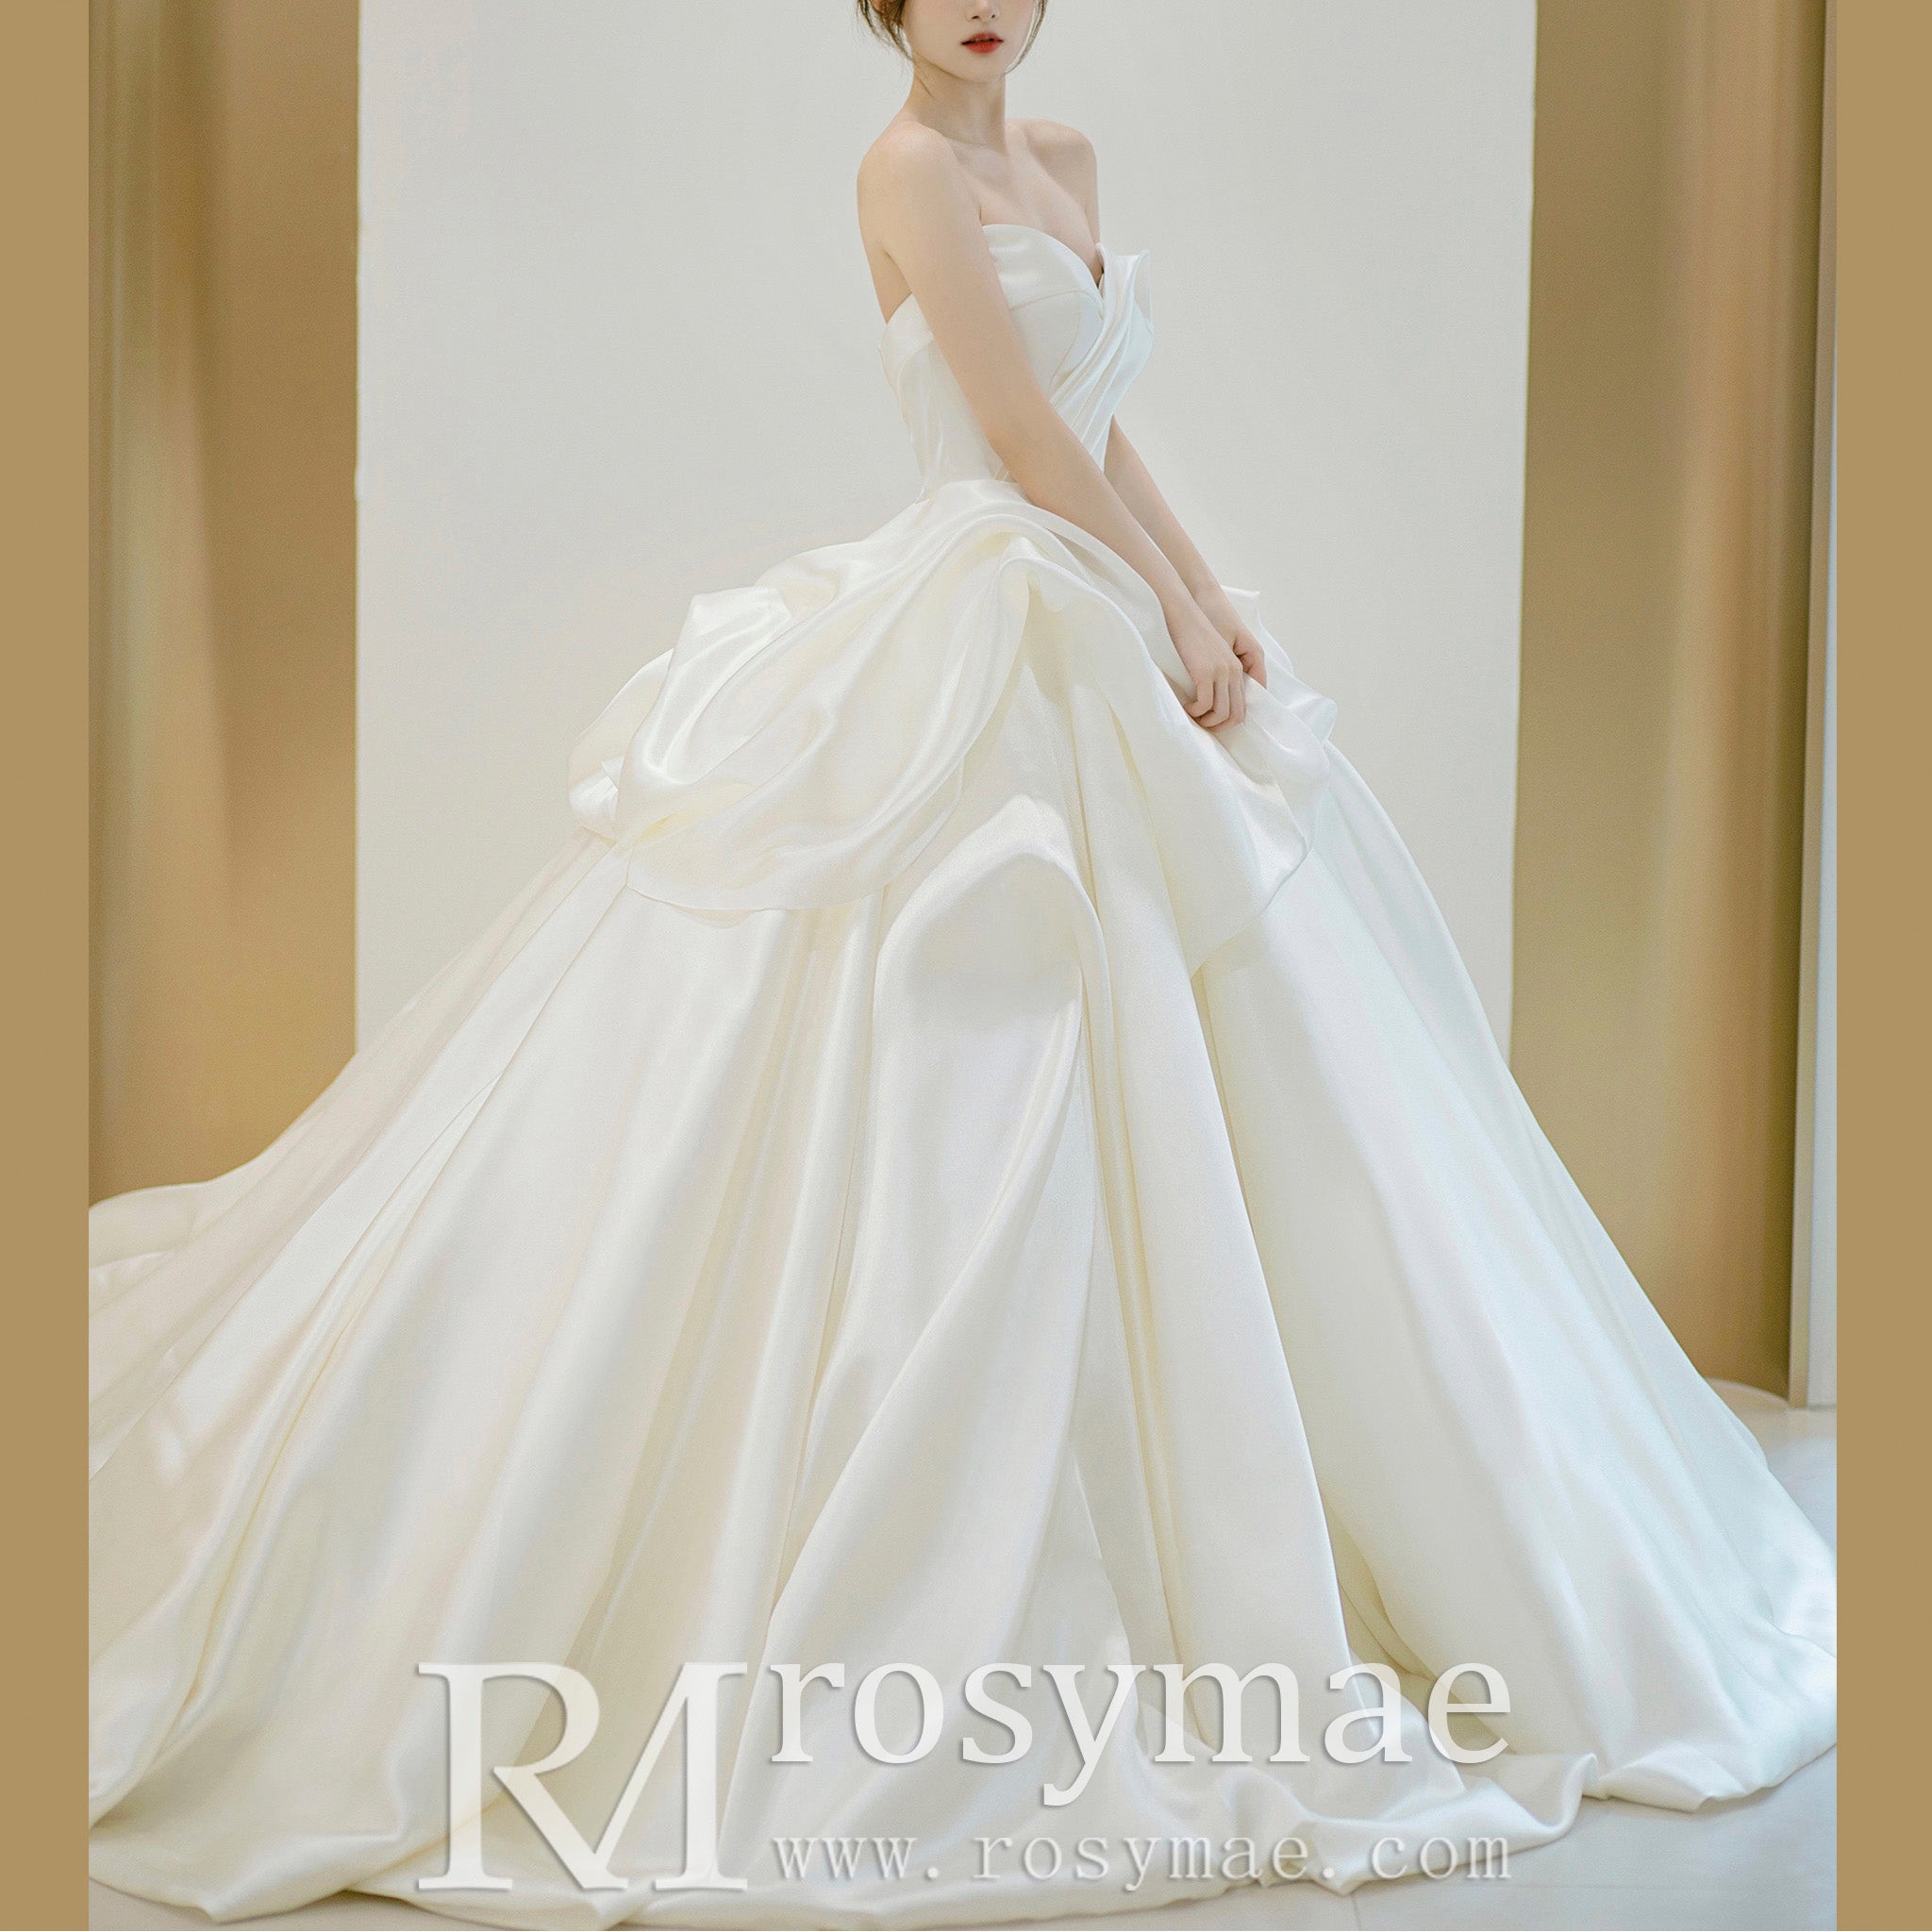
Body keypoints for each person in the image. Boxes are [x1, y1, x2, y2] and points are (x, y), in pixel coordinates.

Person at [88, 1, 1835, 1924]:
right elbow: (1008, 433)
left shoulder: (1064, 160)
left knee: (1230, 1055)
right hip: (983, 621)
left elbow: (1101, 418)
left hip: (1088, 595)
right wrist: (1159, 611)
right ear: (889, 8)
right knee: (955, 1053)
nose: (978, 0)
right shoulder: (905, 169)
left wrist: (1207, 596)